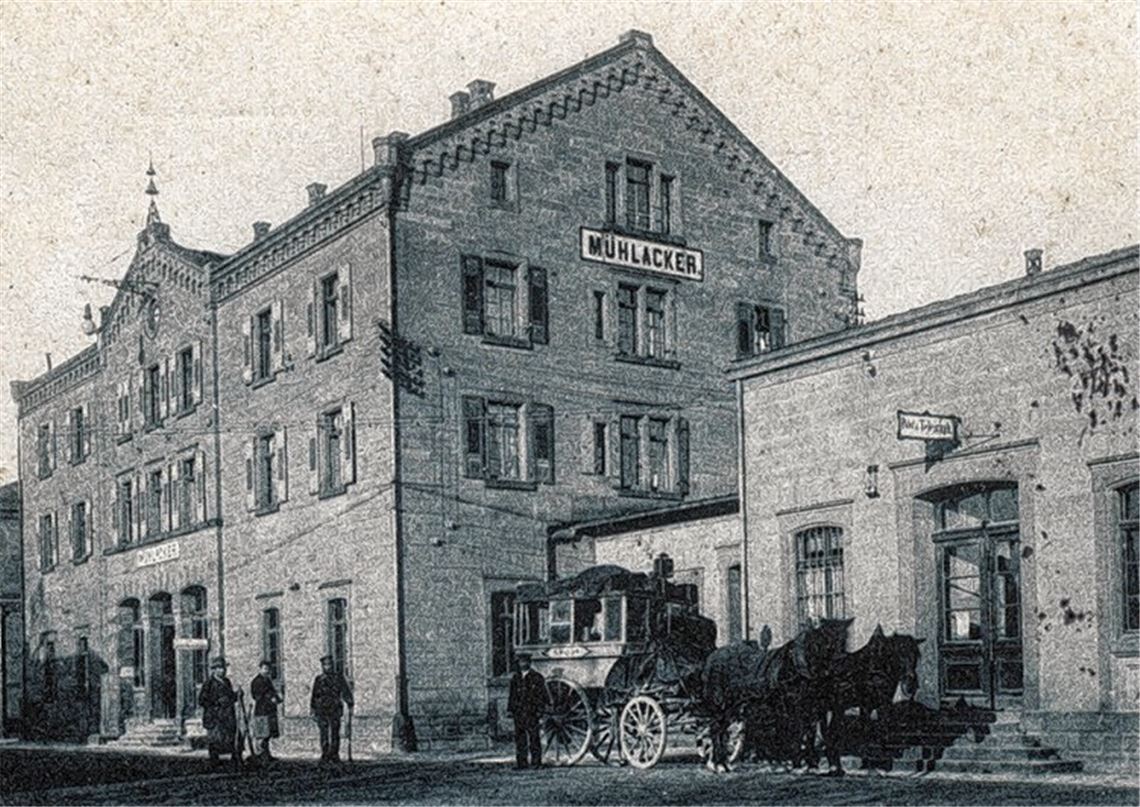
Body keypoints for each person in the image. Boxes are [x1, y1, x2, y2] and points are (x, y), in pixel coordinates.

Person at [199, 657, 242, 770]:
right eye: (219, 668)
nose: (222, 671)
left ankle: (234, 760)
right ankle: (214, 762)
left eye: (223, 668)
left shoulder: (227, 682)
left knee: (231, 737)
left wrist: (237, 695)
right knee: (215, 740)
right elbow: (202, 700)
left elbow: (230, 697)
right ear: (214, 670)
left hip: (227, 716)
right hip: (215, 717)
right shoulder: (209, 684)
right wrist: (217, 702)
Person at [310, 655, 353, 764]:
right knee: (323, 733)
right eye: (325, 665)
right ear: (322, 666)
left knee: (335, 732)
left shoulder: (338, 677)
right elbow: (314, 695)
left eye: (329, 664)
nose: (327, 667)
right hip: (321, 709)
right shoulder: (319, 679)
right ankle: (325, 754)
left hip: (334, 708)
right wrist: (313, 709)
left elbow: (345, 690)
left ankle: (334, 754)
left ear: (332, 665)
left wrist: (349, 702)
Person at [507, 652, 546, 769]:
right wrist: (510, 710)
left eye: (525, 662)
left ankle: (536, 762)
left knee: (534, 737)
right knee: (520, 738)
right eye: (521, 662)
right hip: (518, 712)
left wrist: (540, 710)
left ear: (530, 663)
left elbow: (541, 696)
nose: (523, 664)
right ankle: (521, 763)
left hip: (531, 712)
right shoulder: (515, 678)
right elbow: (512, 695)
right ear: (518, 663)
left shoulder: (537, 677)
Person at [250, 660, 283, 762]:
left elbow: (272, 691)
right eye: (264, 669)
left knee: (268, 734)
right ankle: (261, 754)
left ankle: (267, 754)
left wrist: (277, 699)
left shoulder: (267, 680)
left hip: (270, 710)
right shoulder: (256, 681)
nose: (266, 671)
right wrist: (269, 698)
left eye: (268, 669)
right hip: (262, 710)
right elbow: (257, 696)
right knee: (262, 733)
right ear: (260, 669)